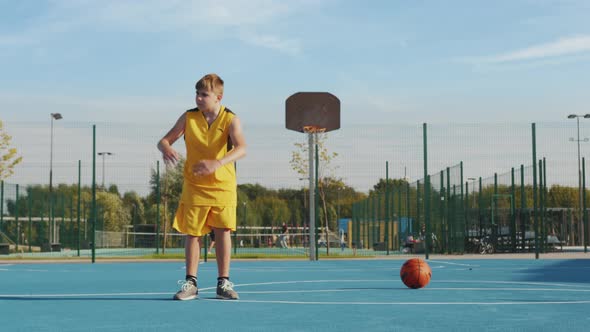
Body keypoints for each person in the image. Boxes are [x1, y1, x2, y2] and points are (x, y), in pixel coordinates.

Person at [158, 73, 246, 301]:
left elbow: (242, 148)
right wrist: (165, 147)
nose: (198, 98)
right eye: (197, 93)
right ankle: (191, 283)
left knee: (223, 231)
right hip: (195, 184)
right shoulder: (189, 118)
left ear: (218, 97)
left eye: (204, 94)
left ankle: (223, 283)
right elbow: (164, 140)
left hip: (223, 185)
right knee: (193, 233)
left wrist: (217, 163)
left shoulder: (231, 119)